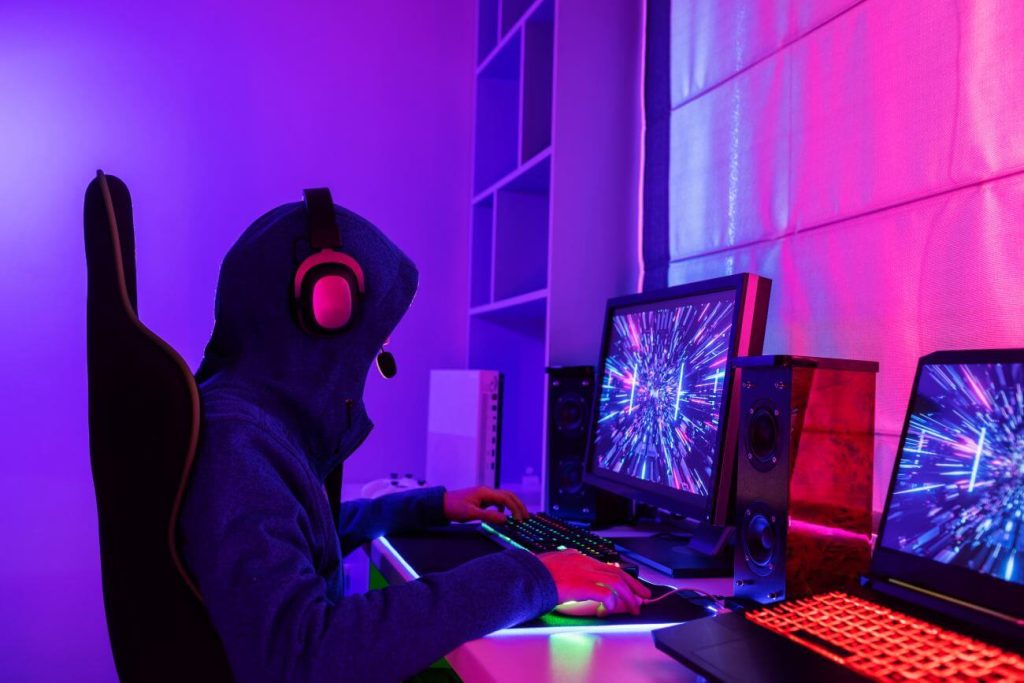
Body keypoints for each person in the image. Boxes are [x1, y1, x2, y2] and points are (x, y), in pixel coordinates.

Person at [178, 193, 649, 682]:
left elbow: (305, 531)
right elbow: (302, 655)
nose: (376, 351)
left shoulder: (246, 423)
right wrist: (532, 577)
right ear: (322, 312)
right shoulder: (236, 445)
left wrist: (432, 506)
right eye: (373, 338)